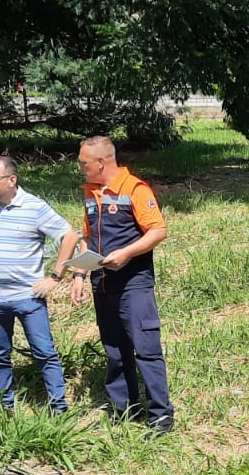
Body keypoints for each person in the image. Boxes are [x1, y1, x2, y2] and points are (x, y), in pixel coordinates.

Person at [0, 155, 81, 413]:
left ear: (12, 180)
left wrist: (55, 277)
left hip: (28, 296)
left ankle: (58, 407)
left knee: (44, 352)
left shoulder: (34, 207)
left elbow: (69, 236)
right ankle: (5, 406)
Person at [70, 136, 174, 433]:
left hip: (133, 284)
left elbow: (158, 230)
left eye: (83, 163)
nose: (80, 168)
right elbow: (87, 237)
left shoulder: (135, 189)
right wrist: (79, 274)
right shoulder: (91, 193)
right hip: (102, 283)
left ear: (101, 163)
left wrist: (127, 253)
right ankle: (124, 410)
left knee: (146, 349)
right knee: (114, 349)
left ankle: (161, 417)